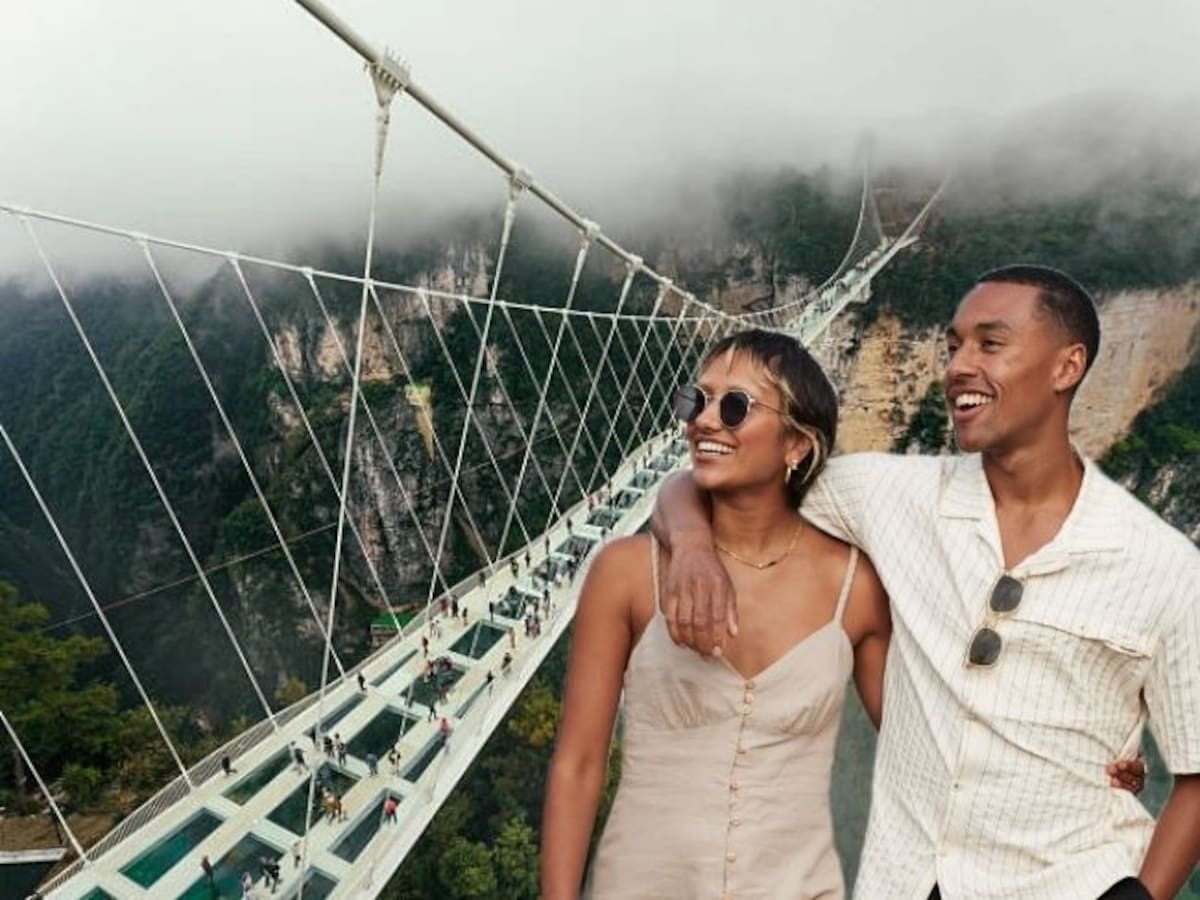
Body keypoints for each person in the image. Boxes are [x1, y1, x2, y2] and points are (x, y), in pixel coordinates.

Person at [654, 269, 1196, 899]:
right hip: (908, 880)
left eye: (989, 344)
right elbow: (721, 473)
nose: (958, 366)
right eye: (953, 346)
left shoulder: (1164, 565)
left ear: (1066, 366)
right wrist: (692, 546)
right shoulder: (891, 495)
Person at [542, 330, 892, 900]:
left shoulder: (854, 587)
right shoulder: (626, 574)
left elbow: (920, 745)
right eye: (695, 400)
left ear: (796, 445)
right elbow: (579, 765)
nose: (704, 421)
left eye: (735, 407)